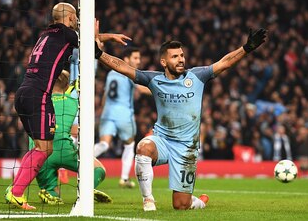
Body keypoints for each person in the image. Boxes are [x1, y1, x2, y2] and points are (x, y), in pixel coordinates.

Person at [95, 27, 267, 211]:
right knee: (143, 148)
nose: (181, 59)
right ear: (164, 61)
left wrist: (246, 48)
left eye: (182, 55)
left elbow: (225, 63)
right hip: (162, 140)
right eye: (175, 56)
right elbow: (123, 67)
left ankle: (197, 201)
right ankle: (148, 200)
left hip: (186, 147)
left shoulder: (197, 76)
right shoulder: (154, 80)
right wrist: (98, 54)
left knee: (181, 205)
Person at [5, 3, 130, 210]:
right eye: (76, 17)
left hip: (23, 93)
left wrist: (108, 36)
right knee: (45, 148)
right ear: (71, 17)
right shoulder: (67, 33)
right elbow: (94, 52)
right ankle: (16, 192)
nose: (78, 21)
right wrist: (97, 38)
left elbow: (80, 40)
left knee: (39, 147)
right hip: (39, 95)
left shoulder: (46, 34)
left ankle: (16, 190)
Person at [29, 70, 112, 205]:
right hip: (63, 149)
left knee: (54, 194)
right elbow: (75, 129)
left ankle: (49, 193)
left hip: (38, 152)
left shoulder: (38, 102)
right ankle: (87, 189)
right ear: (67, 86)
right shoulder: (74, 103)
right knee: (99, 169)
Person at [94, 47, 150, 188]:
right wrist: (161, 90)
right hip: (124, 114)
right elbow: (141, 88)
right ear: (126, 59)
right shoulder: (129, 72)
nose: (138, 61)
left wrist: (102, 110)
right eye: (135, 58)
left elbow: (106, 95)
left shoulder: (111, 74)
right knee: (129, 145)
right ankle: (124, 179)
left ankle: (82, 160)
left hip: (107, 113)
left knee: (104, 144)